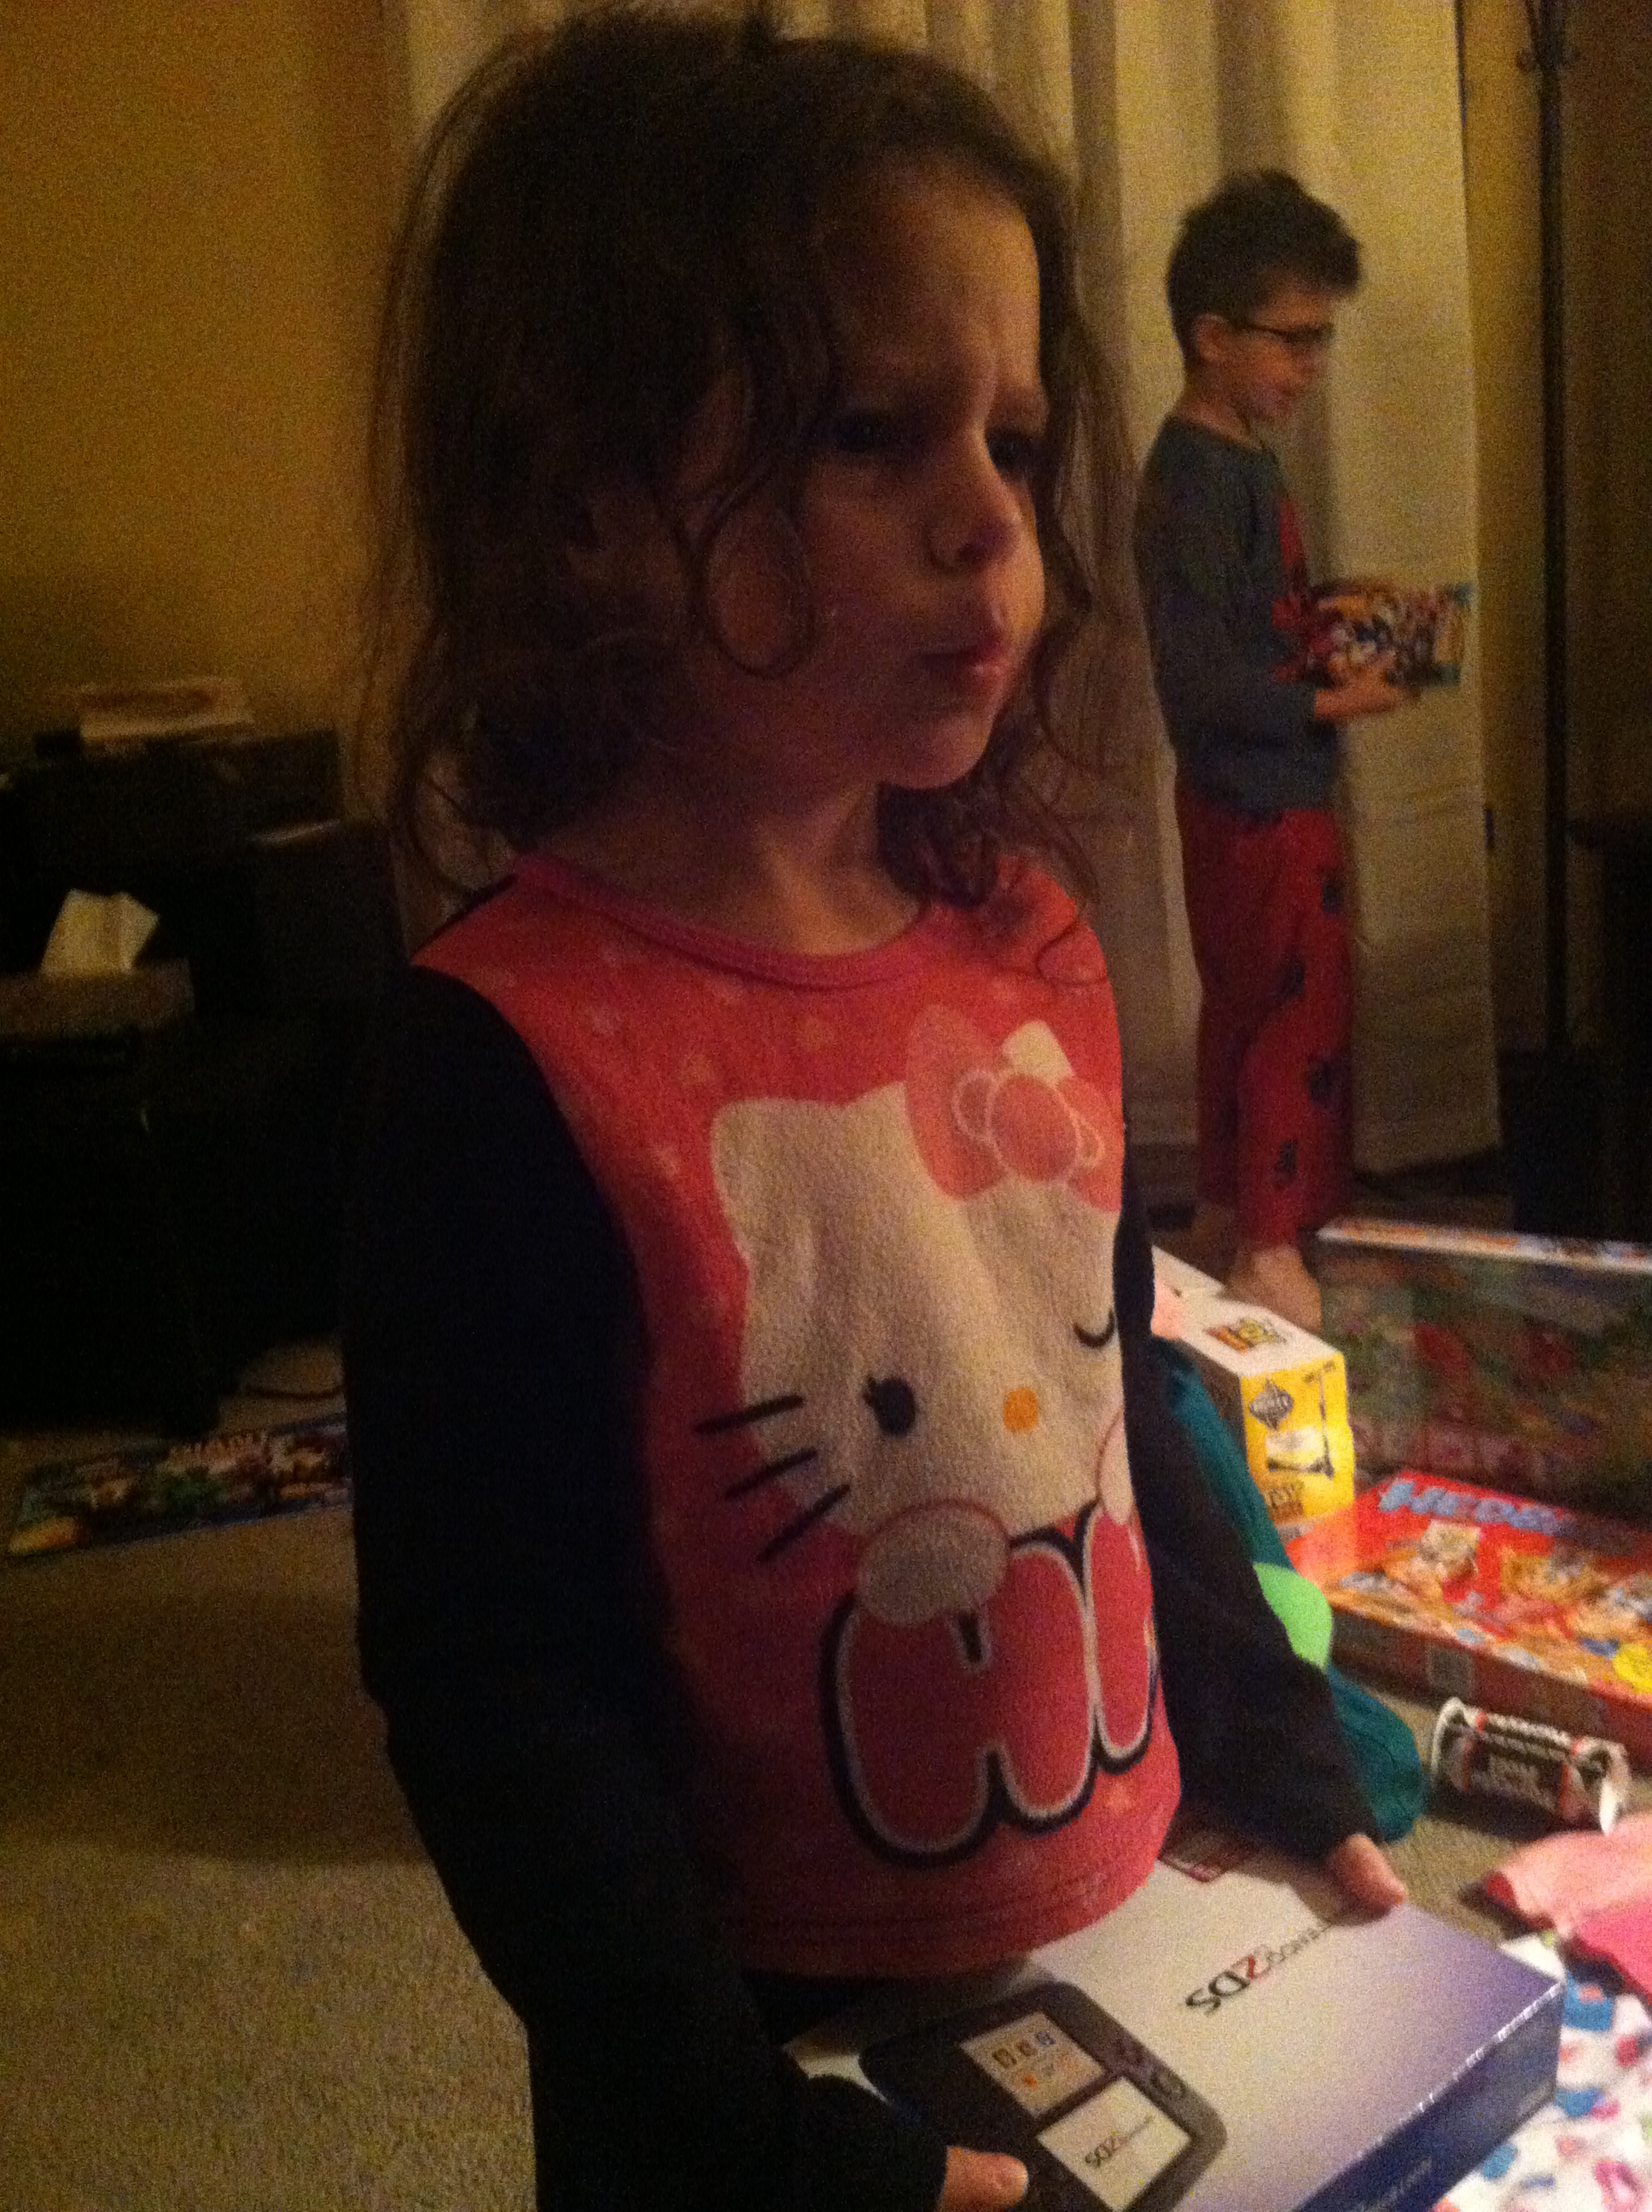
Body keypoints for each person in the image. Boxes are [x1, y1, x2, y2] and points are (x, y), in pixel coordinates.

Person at [342, 20, 1405, 2210]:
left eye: (1011, 437)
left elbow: (1115, 1402)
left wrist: (1275, 1741)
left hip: (1094, 1903)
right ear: (582, 504)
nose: (991, 522)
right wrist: (733, 2138)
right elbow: (494, 1680)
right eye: (865, 432)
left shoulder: (1028, 940)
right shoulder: (502, 1055)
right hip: (744, 2062)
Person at [1132, 170, 1415, 1335]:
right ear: (1213, 337)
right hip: (1259, 804)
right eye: (1294, 340)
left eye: (1321, 340)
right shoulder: (1200, 479)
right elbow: (1203, 682)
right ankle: (1266, 1243)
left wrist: (1341, 619)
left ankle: (1222, 1213)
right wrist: (1330, 703)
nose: (1311, 366)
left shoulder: (1231, 457)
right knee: (1298, 1012)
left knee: (1249, 1008)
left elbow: (1248, 627)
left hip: (1249, 796)